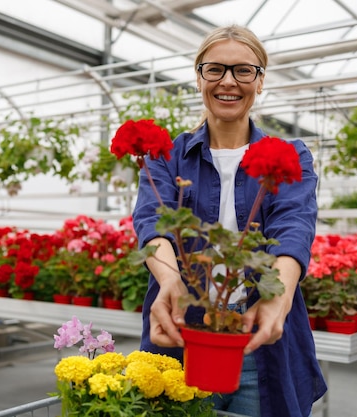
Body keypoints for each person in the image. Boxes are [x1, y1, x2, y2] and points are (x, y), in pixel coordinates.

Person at [132, 25, 327, 417]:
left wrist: (280, 296)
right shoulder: (167, 157)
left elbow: (294, 226)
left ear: (260, 80)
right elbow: (152, 222)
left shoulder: (290, 153)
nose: (228, 82)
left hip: (258, 335)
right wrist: (171, 280)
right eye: (215, 69)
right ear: (199, 76)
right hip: (182, 330)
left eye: (243, 71)